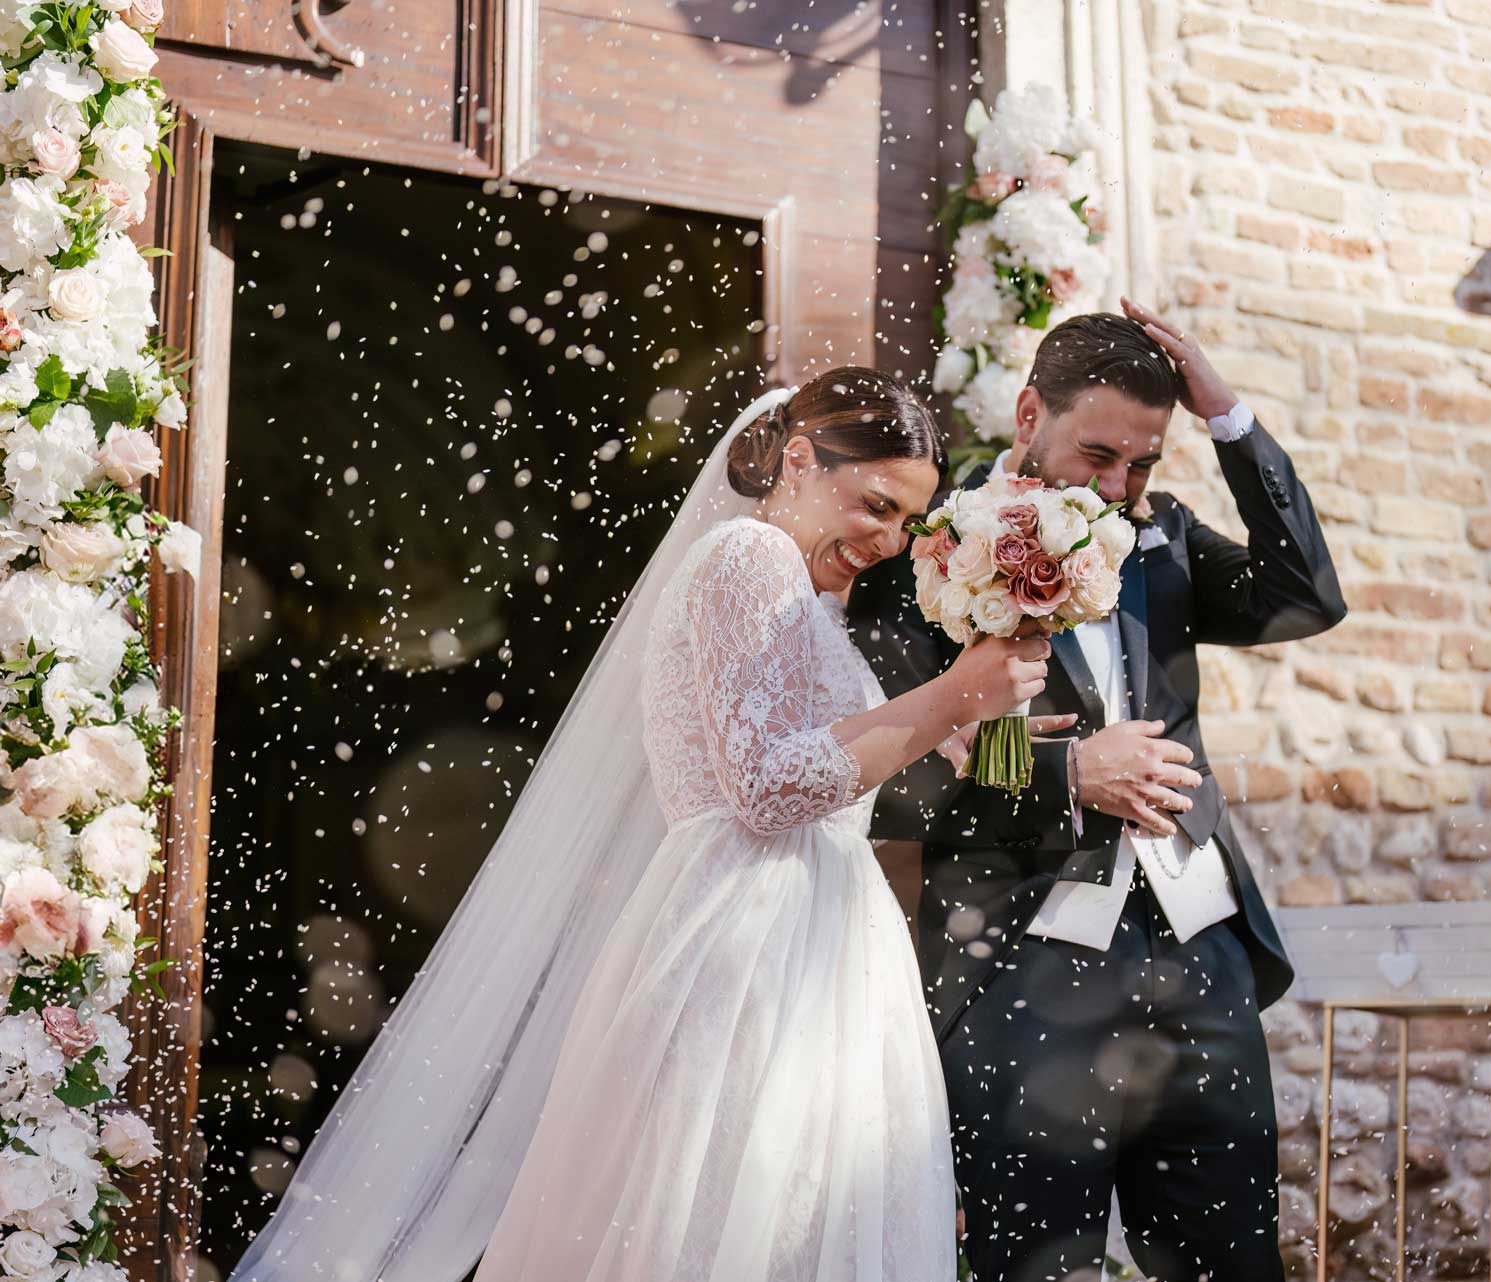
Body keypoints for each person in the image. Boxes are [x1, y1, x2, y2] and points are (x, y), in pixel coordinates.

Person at [227, 368, 1053, 1282]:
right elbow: (766, 788)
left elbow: (833, 751)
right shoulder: (747, 557)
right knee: (718, 1213)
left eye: (906, 522)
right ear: (802, 458)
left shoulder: (814, 599)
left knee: (793, 1212)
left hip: (822, 935)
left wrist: (980, 726)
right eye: (875, 506)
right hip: (745, 931)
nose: (889, 542)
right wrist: (942, 702)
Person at [849, 301, 1347, 1282]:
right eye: (1099, 454)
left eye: (1144, 463)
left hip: (1203, 955)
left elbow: (1305, 596)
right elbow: (891, 786)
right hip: (1024, 970)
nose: (1120, 487)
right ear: (1030, 412)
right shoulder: (923, 560)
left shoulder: (1159, 541)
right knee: (1038, 1265)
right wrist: (1068, 776)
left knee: (1235, 1261)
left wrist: (1227, 415)